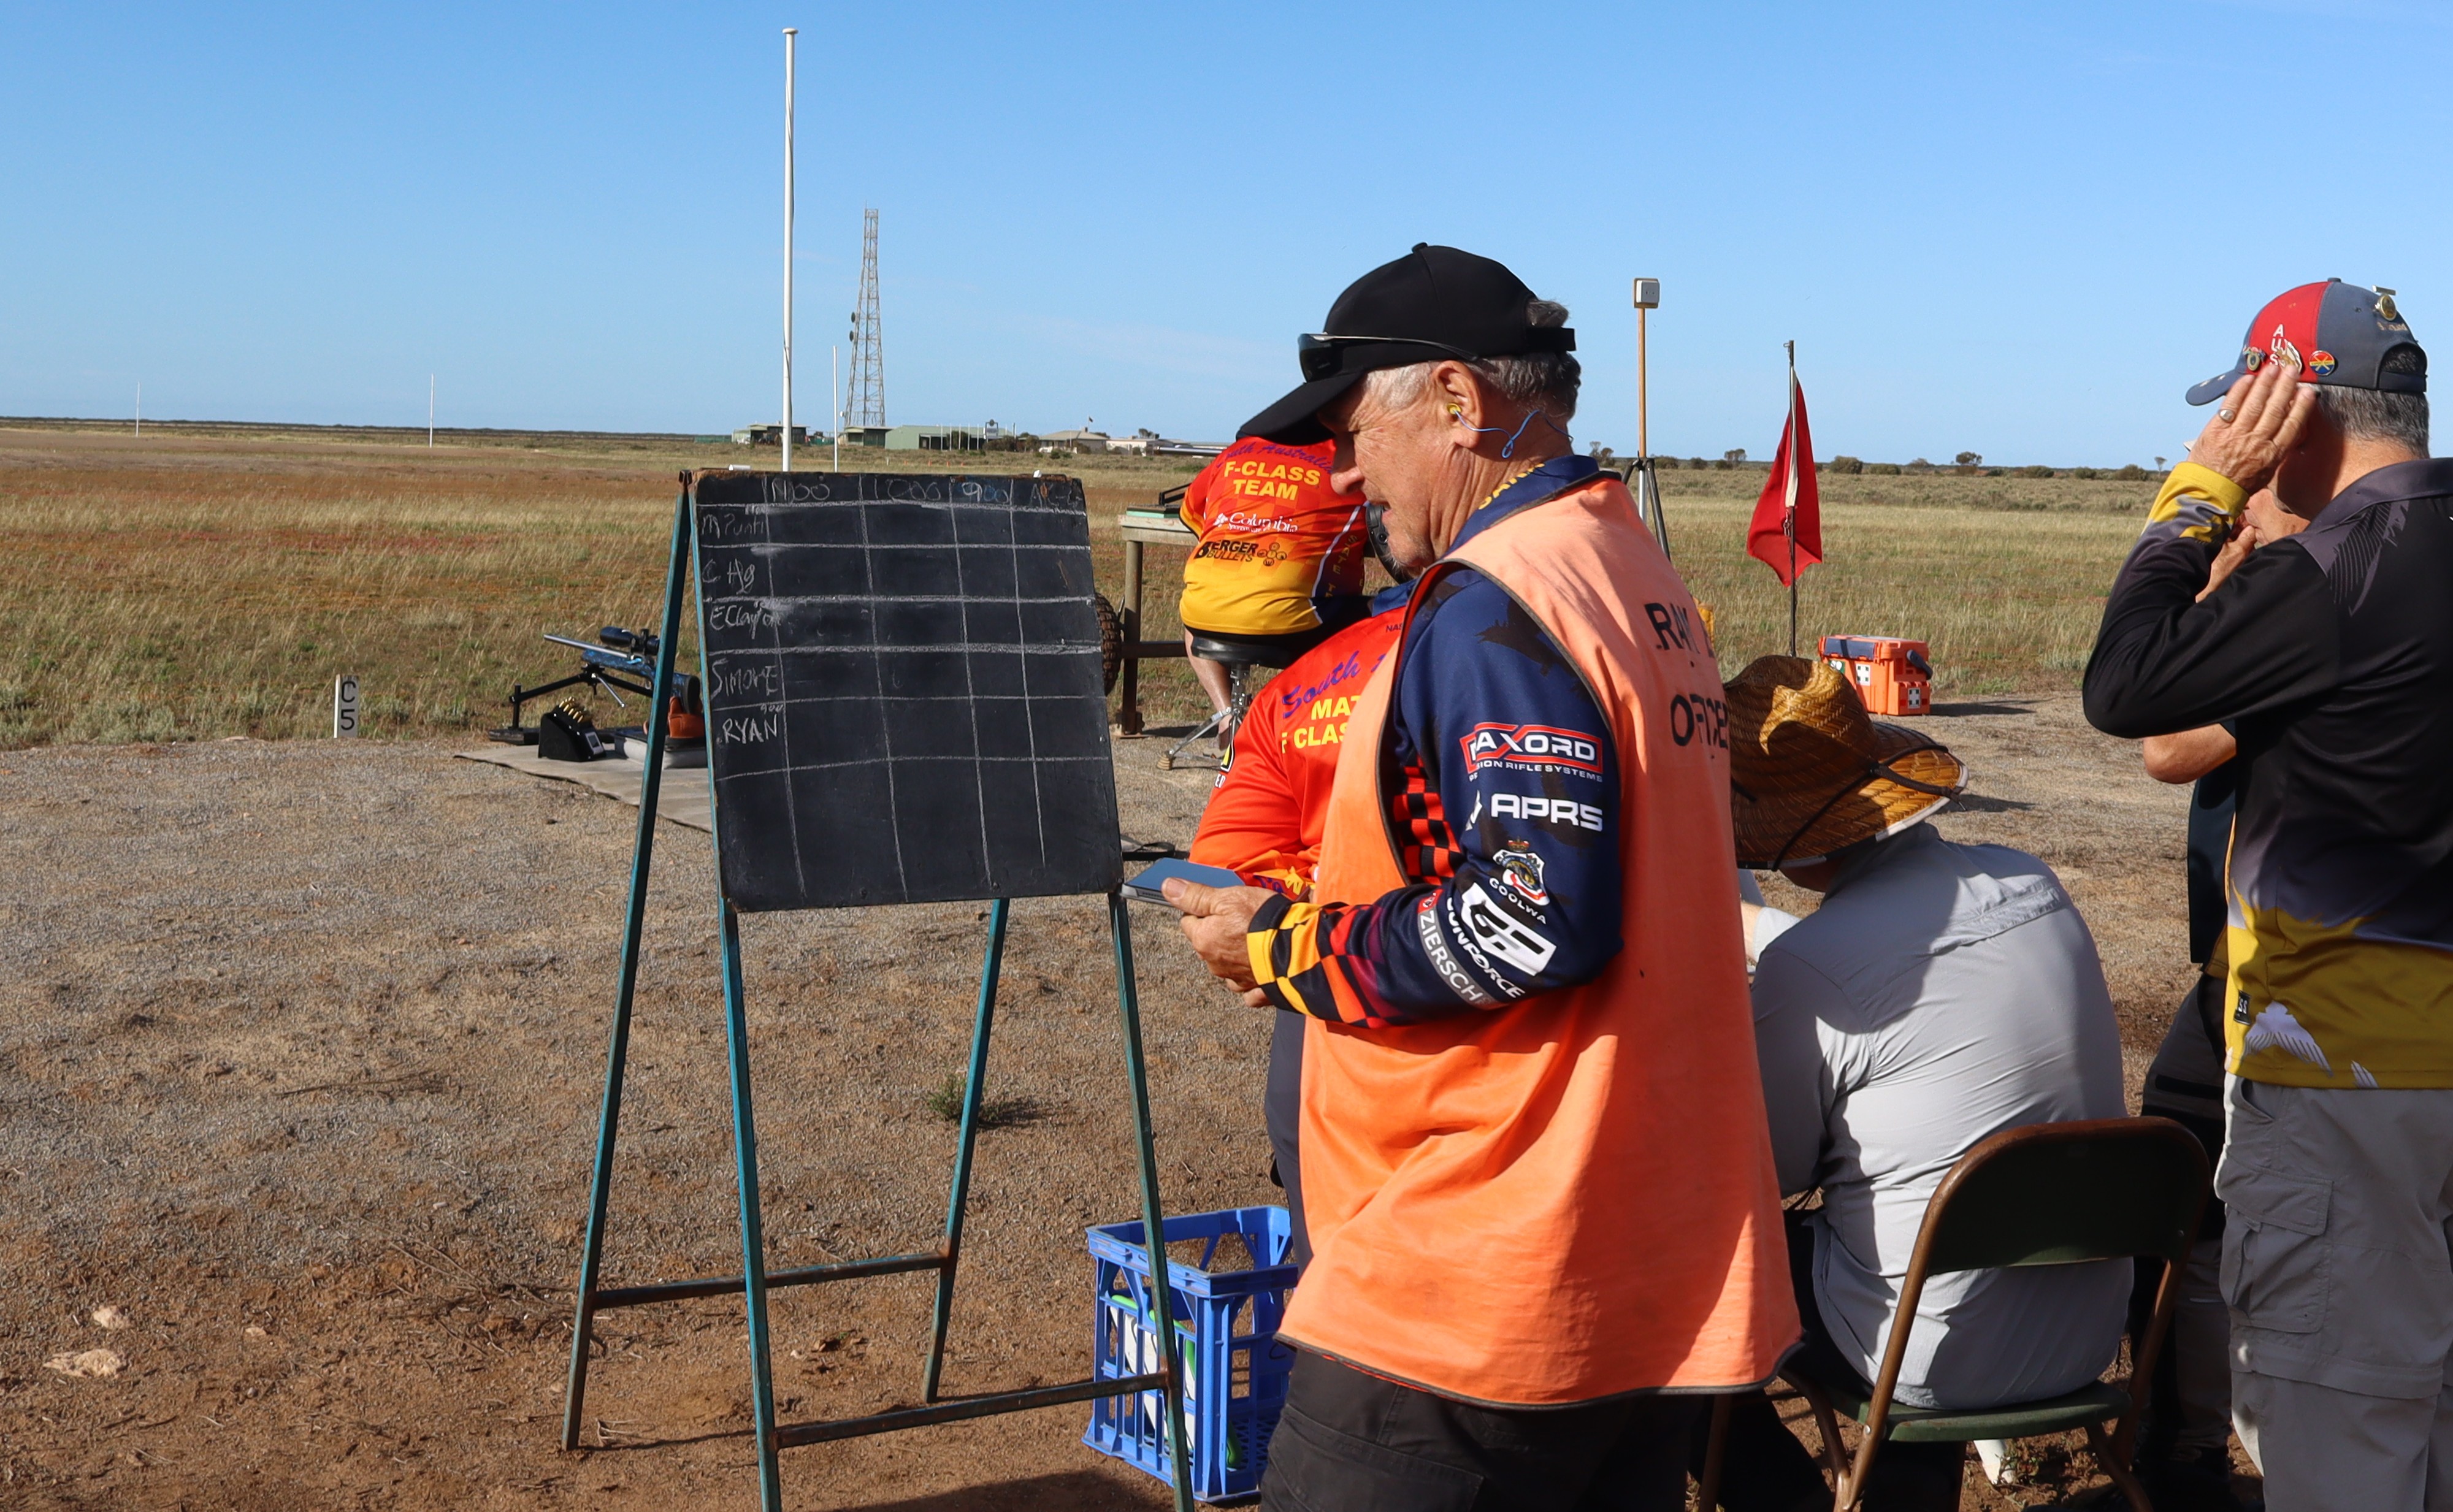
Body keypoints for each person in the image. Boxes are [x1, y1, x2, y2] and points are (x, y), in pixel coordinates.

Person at [1168, 243, 1796, 1510]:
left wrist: (1283, 946)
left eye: (1355, 434)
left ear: (1456, 400)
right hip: (1638, 1246)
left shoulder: (1494, 600)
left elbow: (1530, 918)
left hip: (1474, 1268)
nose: (1342, 476)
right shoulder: (1630, 568)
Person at [2085, 280, 2453, 1511]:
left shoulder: (2332, 570)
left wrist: (2199, 495)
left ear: (2290, 416)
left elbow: (2126, 687)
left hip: (2341, 1063)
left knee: (2341, 1429)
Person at [1705, 657, 2129, 1512]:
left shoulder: (1811, 964)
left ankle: (1781, 1498)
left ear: (1790, 833)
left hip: (1925, 1350)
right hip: (2085, 1328)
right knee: (1914, 1222)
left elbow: (1770, 1172)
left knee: (1683, 1280)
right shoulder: (2032, 880)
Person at [2127, 487, 2305, 1512]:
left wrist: (2214, 602)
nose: (2236, 531)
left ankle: (2195, 1439)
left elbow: (2167, 745)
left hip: (2276, 970)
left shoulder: (2301, 618)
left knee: (2193, 1198)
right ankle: (2192, 1432)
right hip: (2239, 961)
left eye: (2252, 515)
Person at [1187, 590, 1407, 1271]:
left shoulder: (1299, 687)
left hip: (1327, 990)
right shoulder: (1549, 637)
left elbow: (1226, 870)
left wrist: (1286, 925)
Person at [1176, 434, 1370, 727]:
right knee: (1382, 613)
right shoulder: (1350, 458)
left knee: (1202, 602)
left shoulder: (1238, 450)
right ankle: (1312, 722)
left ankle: (1227, 716)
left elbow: (1193, 512)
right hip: (1296, 623)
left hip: (1200, 614)